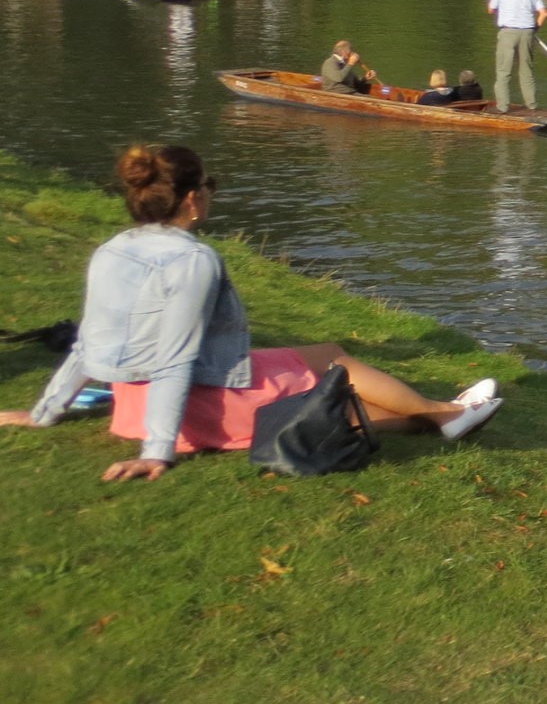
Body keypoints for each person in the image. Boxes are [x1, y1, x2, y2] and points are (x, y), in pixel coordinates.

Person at [1, 144, 501, 479]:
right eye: (210, 191)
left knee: (333, 385)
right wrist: (157, 452)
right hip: (195, 408)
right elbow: (175, 358)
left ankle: (435, 418)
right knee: (332, 359)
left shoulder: (113, 248)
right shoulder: (194, 259)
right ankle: (448, 412)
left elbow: (89, 342)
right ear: (194, 200)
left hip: (133, 404)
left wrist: (44, 413)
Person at [487, 0, 547, 113]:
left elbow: (490, 10)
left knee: (503, 70)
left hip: (508, 33)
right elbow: (544, 13)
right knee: (526, 70)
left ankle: (502, 107)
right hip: (527, 32)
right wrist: (534, 29)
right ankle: (532, 105)